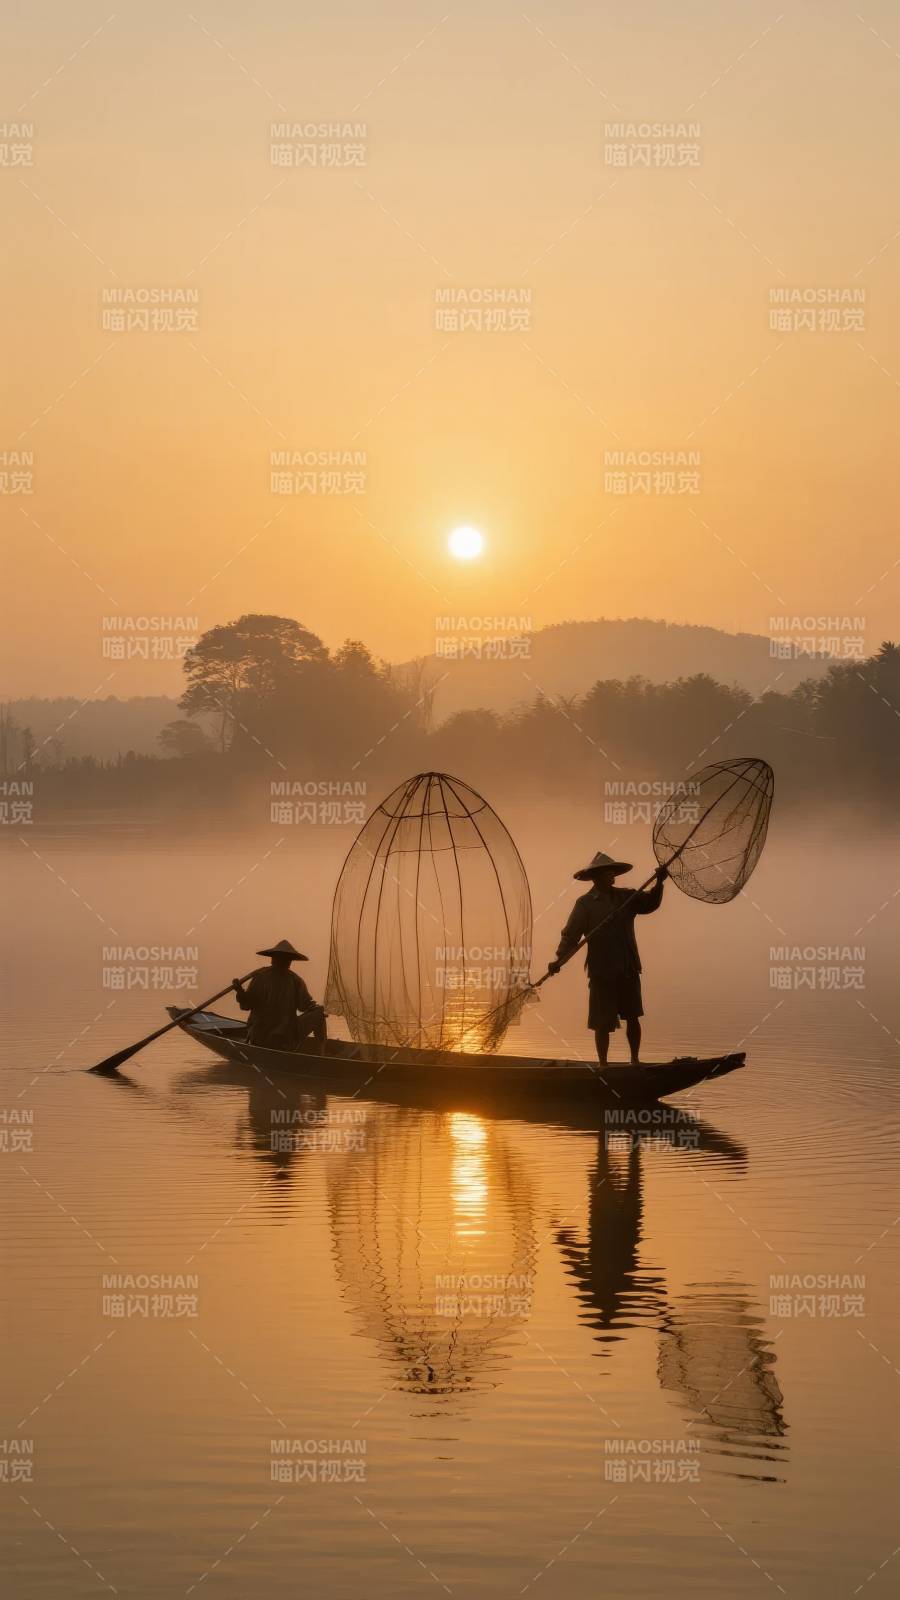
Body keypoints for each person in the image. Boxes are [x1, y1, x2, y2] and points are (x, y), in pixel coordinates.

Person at [549, 852, 667, 1067]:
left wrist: (659, 882)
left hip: (628, 967)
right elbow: (571, 936)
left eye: (613, 872)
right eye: (608, 872)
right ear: (597, 876)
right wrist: (559, 960)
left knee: (633, 1016)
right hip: (601, 970)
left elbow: (650, 904)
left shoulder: (626, 897)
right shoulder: (585, 904)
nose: (612, 875)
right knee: (602, 1023)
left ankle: (635, 1060)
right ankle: (603, 1065)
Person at [233, 939, 327, 1051]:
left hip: (263, 1038)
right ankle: (321, 1051)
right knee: (319, 1012)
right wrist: (317, 1009)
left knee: (319, 1012)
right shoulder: (294, 980)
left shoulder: (262, 977)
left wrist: (239, 991)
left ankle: (320, 1051)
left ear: (273, 959)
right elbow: (306, 1006)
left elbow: (245, 1005)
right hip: (281, 1039)